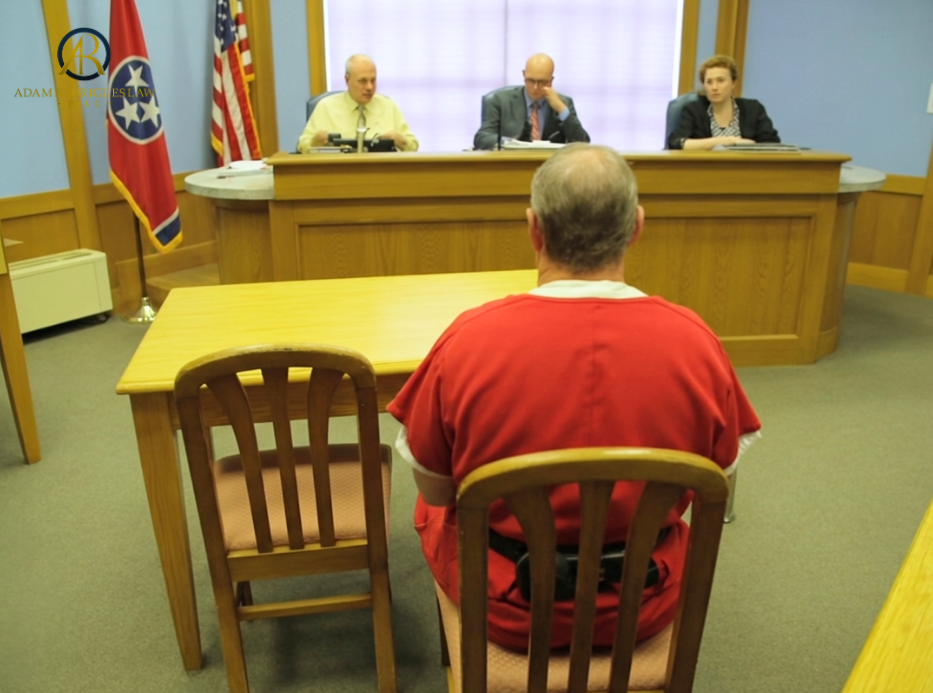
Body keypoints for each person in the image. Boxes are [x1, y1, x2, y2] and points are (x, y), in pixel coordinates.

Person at [387, 143, 761, 651]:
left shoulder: (466, 341)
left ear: (534, 228)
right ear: (636, 227)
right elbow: (716, 482)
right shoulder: (697, 343)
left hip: (506, 606)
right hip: (642, 602)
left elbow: (435, 492)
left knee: (430, 509)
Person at [297, 54, 418, 153]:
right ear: (347, 80)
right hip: (337, 176)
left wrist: (402, 142)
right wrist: (313, 144)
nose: (369, 87)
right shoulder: (325, 107)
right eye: (362, 81)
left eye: (373, 80)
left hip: (381, 175)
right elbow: (302, 145)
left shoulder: (388, 106)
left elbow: (413, 145)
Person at [473, 53, 590, 150]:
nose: (535, 87)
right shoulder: (498, 100)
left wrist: (561, 109)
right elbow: (482, 138)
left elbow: (582, 143)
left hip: (549, 168)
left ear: (551, 80)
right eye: (530, 80)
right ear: (523, 75)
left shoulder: (563, 102)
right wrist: (513, 144)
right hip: (510, 166)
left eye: (542, 82)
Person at [668, 55, 779, 150]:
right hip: (705, 170)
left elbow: (771, 144)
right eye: (709, 82)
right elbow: (677, 143)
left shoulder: (753, 109)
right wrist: (725, 141)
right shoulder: (694, 110)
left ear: (733, 83)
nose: (714, 87)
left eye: (720, 80)